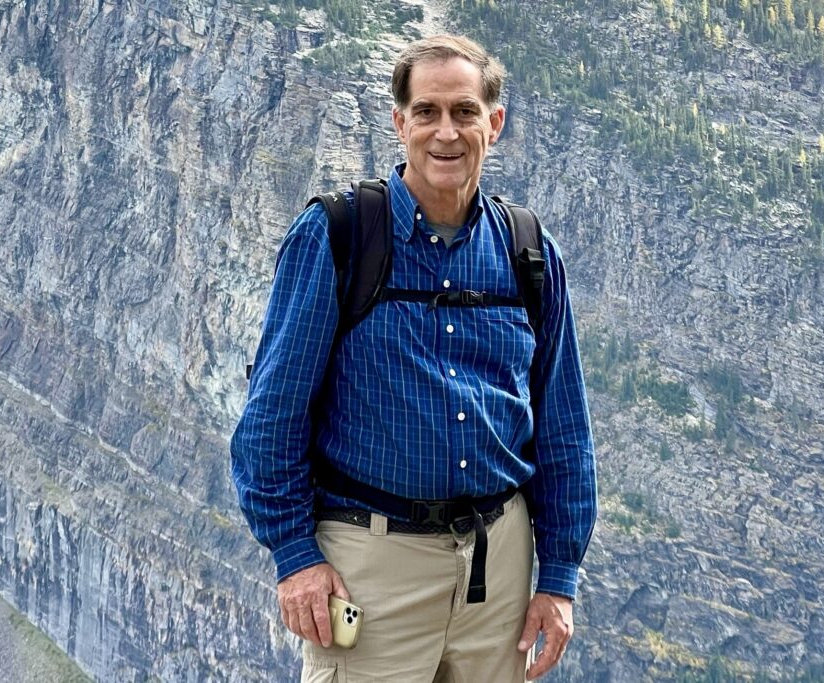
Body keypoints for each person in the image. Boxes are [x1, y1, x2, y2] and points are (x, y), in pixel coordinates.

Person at [231, 34, 597, 682]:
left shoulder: (530, 253)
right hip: (370, 568)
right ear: (399, 123)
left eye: (464, 111)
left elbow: (564, 428)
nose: (445, 132)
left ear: (496, 123)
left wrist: (559, 575)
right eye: (426, 112)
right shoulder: (338, 236)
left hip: (499, 570)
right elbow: (272, 413)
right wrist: (294, 554)